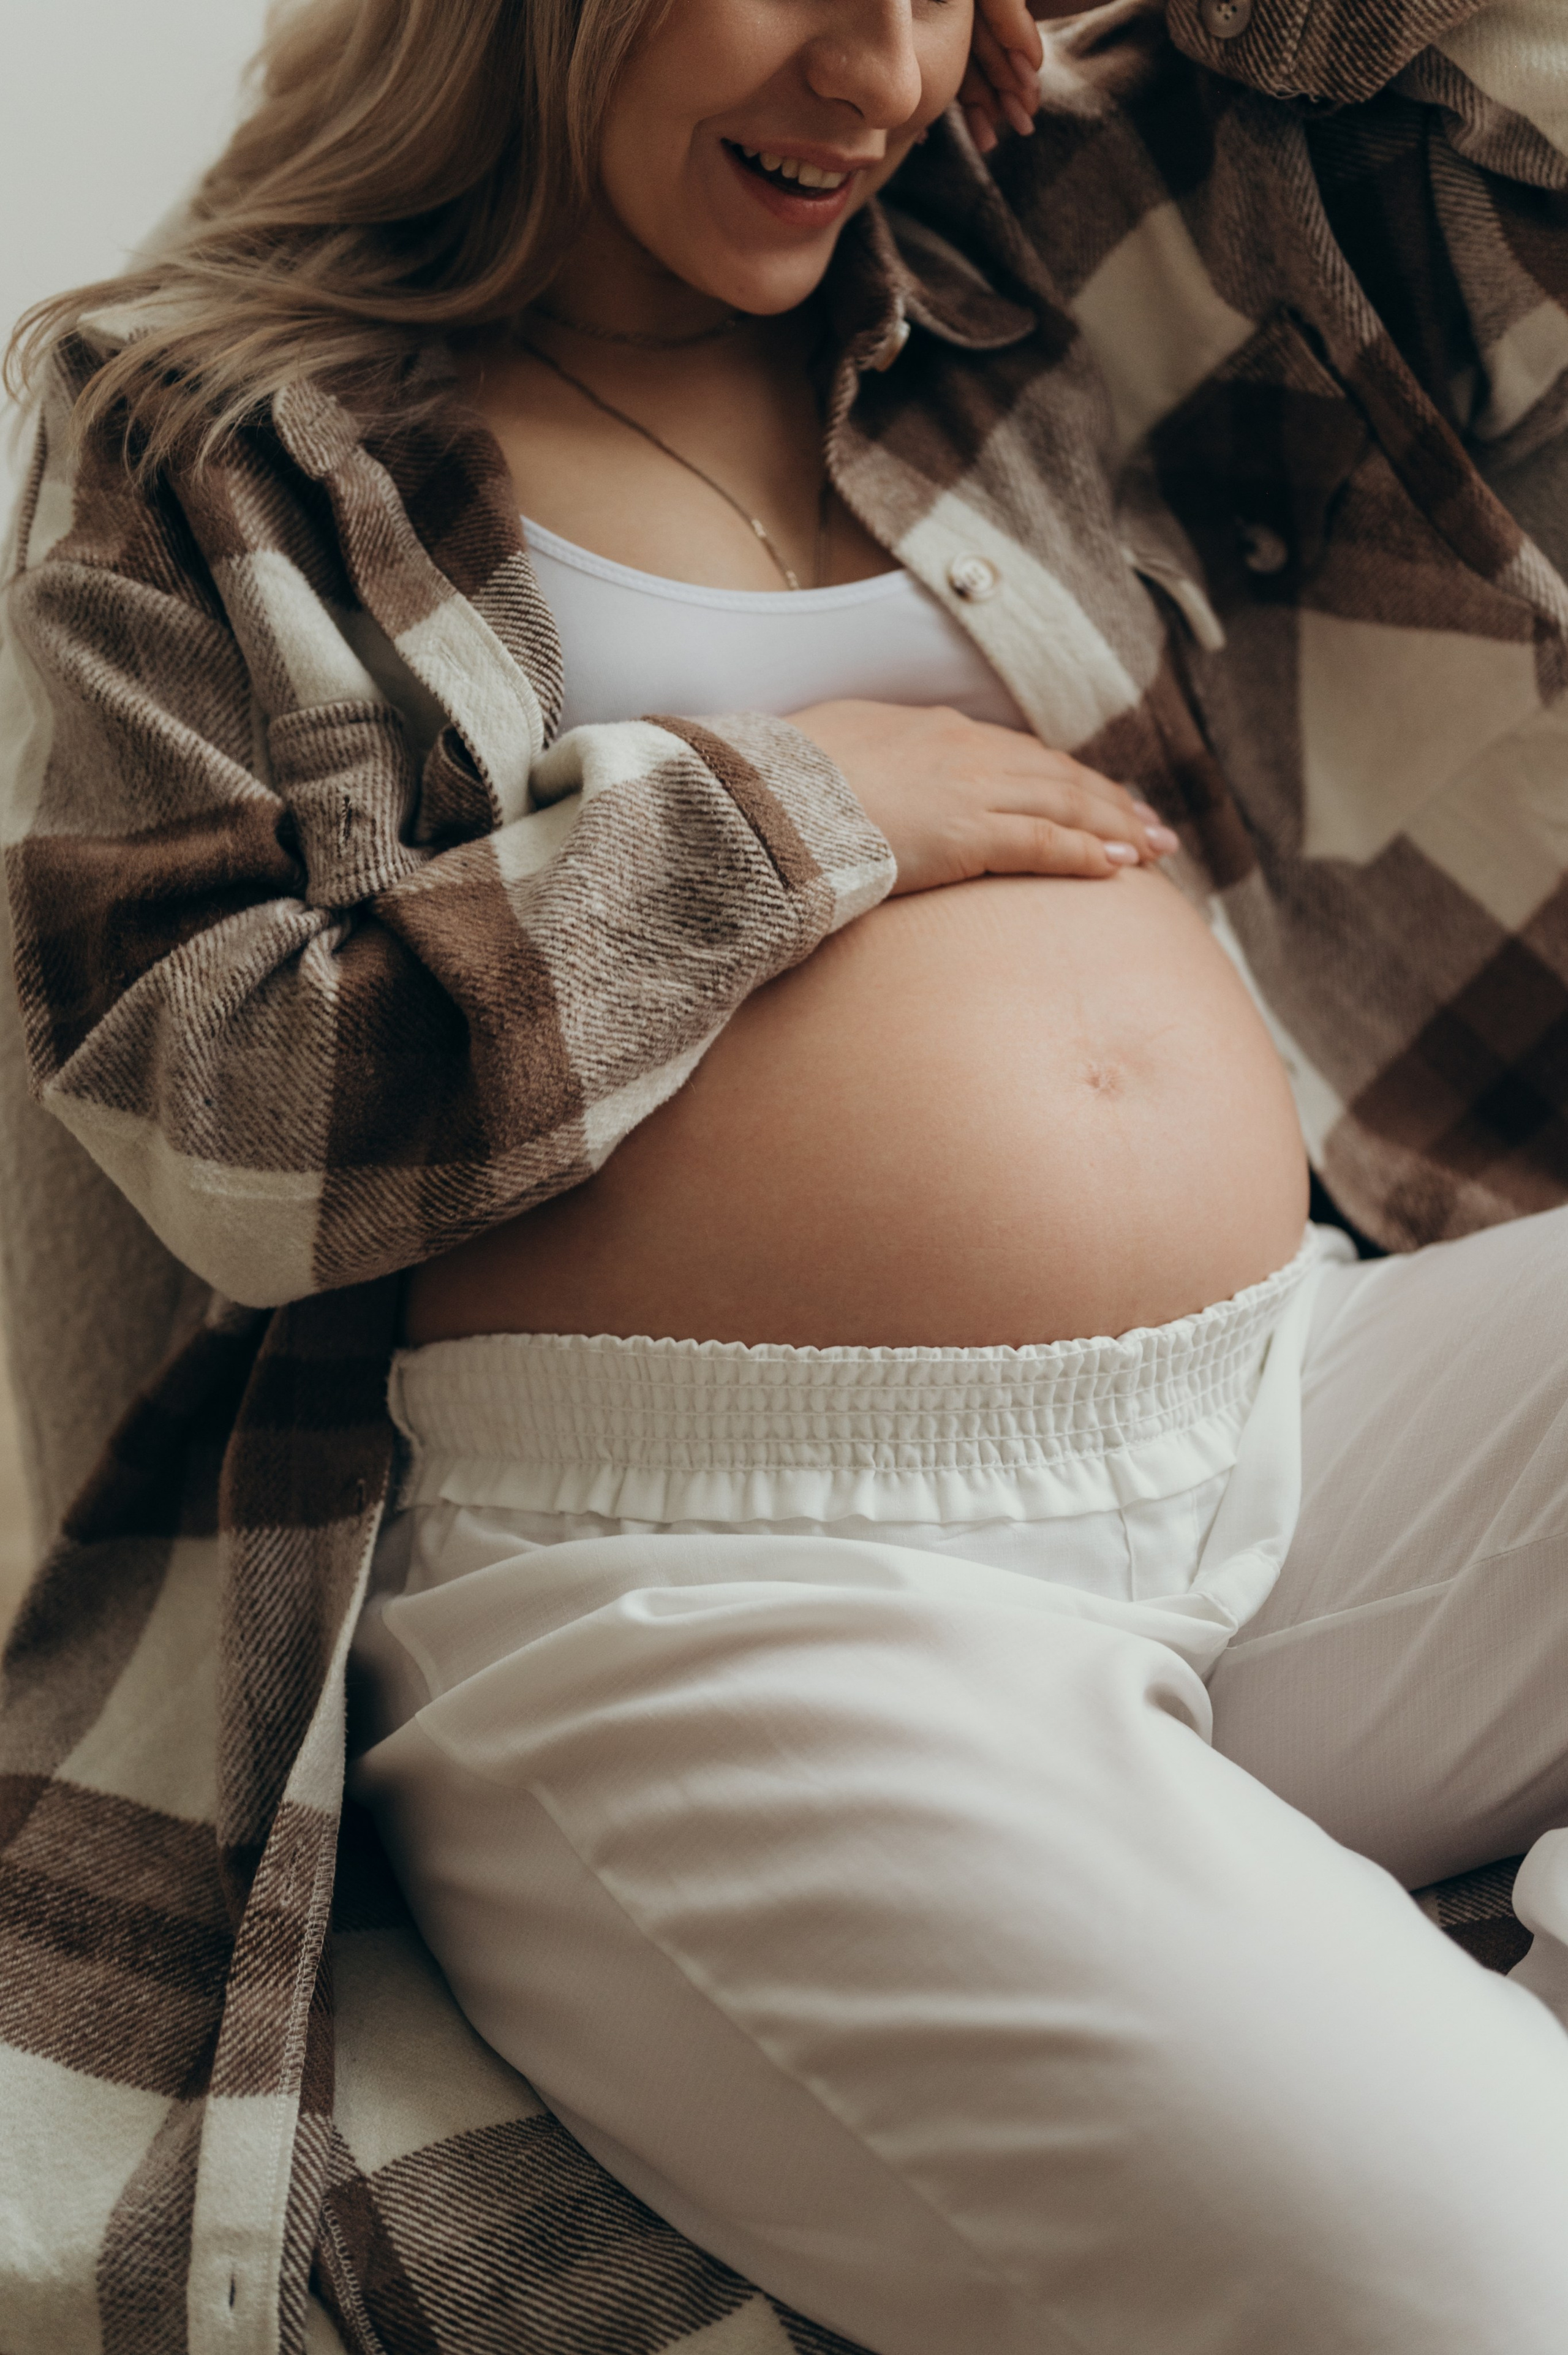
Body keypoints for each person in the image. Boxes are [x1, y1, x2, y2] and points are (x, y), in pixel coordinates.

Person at [2, 2, 1568, 2351]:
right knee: (1479, 2273)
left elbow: (1503, 101)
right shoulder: (210, 428)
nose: (874, 67)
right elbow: (215, 1099)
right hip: (704, 1581)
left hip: (1283, 1398)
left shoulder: (995, 269)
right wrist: (782, 820)